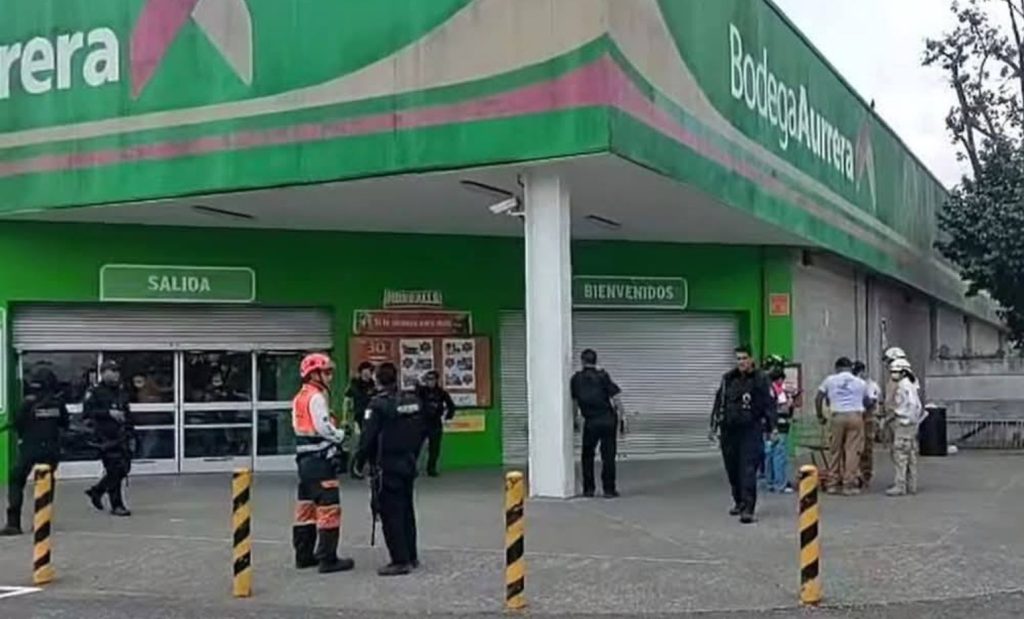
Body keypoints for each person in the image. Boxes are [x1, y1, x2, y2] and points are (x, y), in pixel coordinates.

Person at [354, 362, 426, 576]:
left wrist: (358, 462)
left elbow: (368, 437)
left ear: (377, 380)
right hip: (408, 462)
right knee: (406, 510)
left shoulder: (377, 405)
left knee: (390, 512)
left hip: (386, 464)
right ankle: (411, 556)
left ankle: (400, 560)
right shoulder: (412, 400)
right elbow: (422, 430)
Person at [291, 353, 355, 574]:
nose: (330, 376)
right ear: (313, 374)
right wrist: (340, 435)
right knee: (329, 509)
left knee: (306, 511)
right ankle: (328, 559)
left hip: (304, 462)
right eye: (326, 372)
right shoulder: (316, 397)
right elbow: (323, 428)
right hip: (320, 462)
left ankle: (303, 556)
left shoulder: (299, 397)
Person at [709, 345, 775, 524]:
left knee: (747, 469)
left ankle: (748, 508)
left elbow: (769, 404)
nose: (741, 362)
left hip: (750, 429)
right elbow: (719, 402)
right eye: (738, 359)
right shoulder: (728, 379)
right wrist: (713, 426)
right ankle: (739, 501)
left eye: (744, 358)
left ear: (751, 359)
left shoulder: (760, 379)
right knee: (732, 469)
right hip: (729, 430)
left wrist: (772, 427)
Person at [2, 368, 68, 535]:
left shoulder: (28, 402)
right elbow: (64, 423)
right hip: (51, 449)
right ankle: (42, 523)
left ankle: (13, 524)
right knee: (46, 483)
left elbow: (18, 423)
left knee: (16, 480)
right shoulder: (58, 403)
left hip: (30, 448)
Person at [570, 349, 623, 499]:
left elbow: (575, 402)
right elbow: (616, 398)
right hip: (608, 419)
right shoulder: (603, 376)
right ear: (596, 361)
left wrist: (574, 419)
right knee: (608, 456)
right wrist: (622, 417)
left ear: (582, 361)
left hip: (591, 421)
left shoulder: (576, 379)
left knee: (587, 455)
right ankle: (609, 490)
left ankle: (589, 489)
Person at [84, 361, 134, 517]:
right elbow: (87, 412)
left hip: (122, 436)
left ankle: (97, 491)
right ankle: (117, 505)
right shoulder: (95, 392)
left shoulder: (120, 391)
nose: (116, 374)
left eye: (117, 371)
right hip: (104, 437)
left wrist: (132, 432)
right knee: (114, 468)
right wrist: (108, 413)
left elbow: (127, 412)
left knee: (124, 468)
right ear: (103, 372)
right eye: (112, 371)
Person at [815, 357, 869, 496]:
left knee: (835, 450)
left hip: (837, 416)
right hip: (855, 416)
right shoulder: (860, 382)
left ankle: (832, 484)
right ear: (850, 368)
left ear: (837, 368)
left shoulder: (829, 380)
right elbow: (868, 401)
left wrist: (820, 415)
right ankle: (848, 485)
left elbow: (818, 397)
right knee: (852, 452)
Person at [885, 358, 926, 497]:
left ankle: (900, 485)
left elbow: (912, 405)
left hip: (904, 423)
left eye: (895, 371)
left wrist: (904, 417)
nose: (893, 374)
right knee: (911, 455)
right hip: (910, 424)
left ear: (903, 372)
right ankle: (911, 484)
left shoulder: (904, 386)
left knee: (900, 456)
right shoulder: (911, 384)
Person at [416, 370, 456, 477]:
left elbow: (451, 405)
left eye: (432, 379)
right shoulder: (421, 391)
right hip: (422, 422)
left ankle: (431, 468)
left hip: (435, 422)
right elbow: (414, 400)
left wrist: (448, 416)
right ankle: (412, 468)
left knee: (434, 448)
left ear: (436, 380)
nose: (430, 381)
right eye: (428, 379)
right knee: (415, 447)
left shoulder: (441, 393)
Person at [764, 365, 794, 494]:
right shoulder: (778, 391)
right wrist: (790, 402)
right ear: (779, 379)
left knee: (769, 454)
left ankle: (770, 482)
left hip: (767, 427)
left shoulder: (765, 389)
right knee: (779, 455)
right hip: (779, 426)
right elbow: (783, 409)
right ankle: (780, 483)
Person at [853, 361, 881, 489]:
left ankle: (866, 474)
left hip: (867, 418)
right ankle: (854, 474)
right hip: (855, 416)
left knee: (866, 447)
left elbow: (871, 403)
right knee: (853, 446)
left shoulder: (871, 385)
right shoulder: (854, 383)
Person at [345, 362, 376, 431]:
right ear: (363, 372)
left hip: (371, 417)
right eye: (369, 370)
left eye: (371, 371)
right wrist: (345, 419)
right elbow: (346, 401)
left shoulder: (374, 385)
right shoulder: (355, 385)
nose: (371, 373)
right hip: (358, 416)